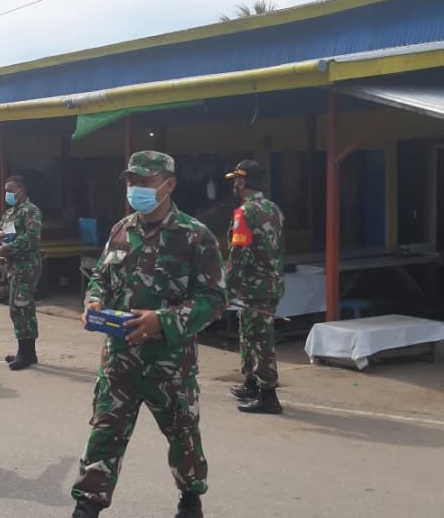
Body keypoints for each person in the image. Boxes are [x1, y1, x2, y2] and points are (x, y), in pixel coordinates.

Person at [72, 151, 226, 518]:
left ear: (169, 184)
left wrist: (164, 320)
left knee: (183, 438)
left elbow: (215, 299)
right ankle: (86, 506)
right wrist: (94, 300)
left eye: (145, 181)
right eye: (131, 181)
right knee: (103, 436)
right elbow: (101, 278)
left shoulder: (195, 237)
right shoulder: (121, 230)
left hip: (169, 365)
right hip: (119, 362)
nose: (136, 188)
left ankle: (190, 501)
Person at [223, 160, 286, 415]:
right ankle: (251, 383)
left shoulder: (244, 213)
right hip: (272, 284)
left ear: (243, 183)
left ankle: (268, 395)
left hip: (254, 287)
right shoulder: (274, 209)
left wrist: (227, 289)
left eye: (237, 181)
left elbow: (239, 254)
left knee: (260, 340)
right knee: (249, 334)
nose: (235, 185)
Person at [0, 174, 44, 370]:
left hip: (27, 266)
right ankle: (26, 352)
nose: (7, 194)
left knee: (21, 307)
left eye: (10, 190)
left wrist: (11, 247)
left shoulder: (31, 211)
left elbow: (32, 237)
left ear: (21, 190)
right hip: (14, 266)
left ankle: (26, 353)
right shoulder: (10, 213)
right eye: (5, 191)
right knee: (19, 308)